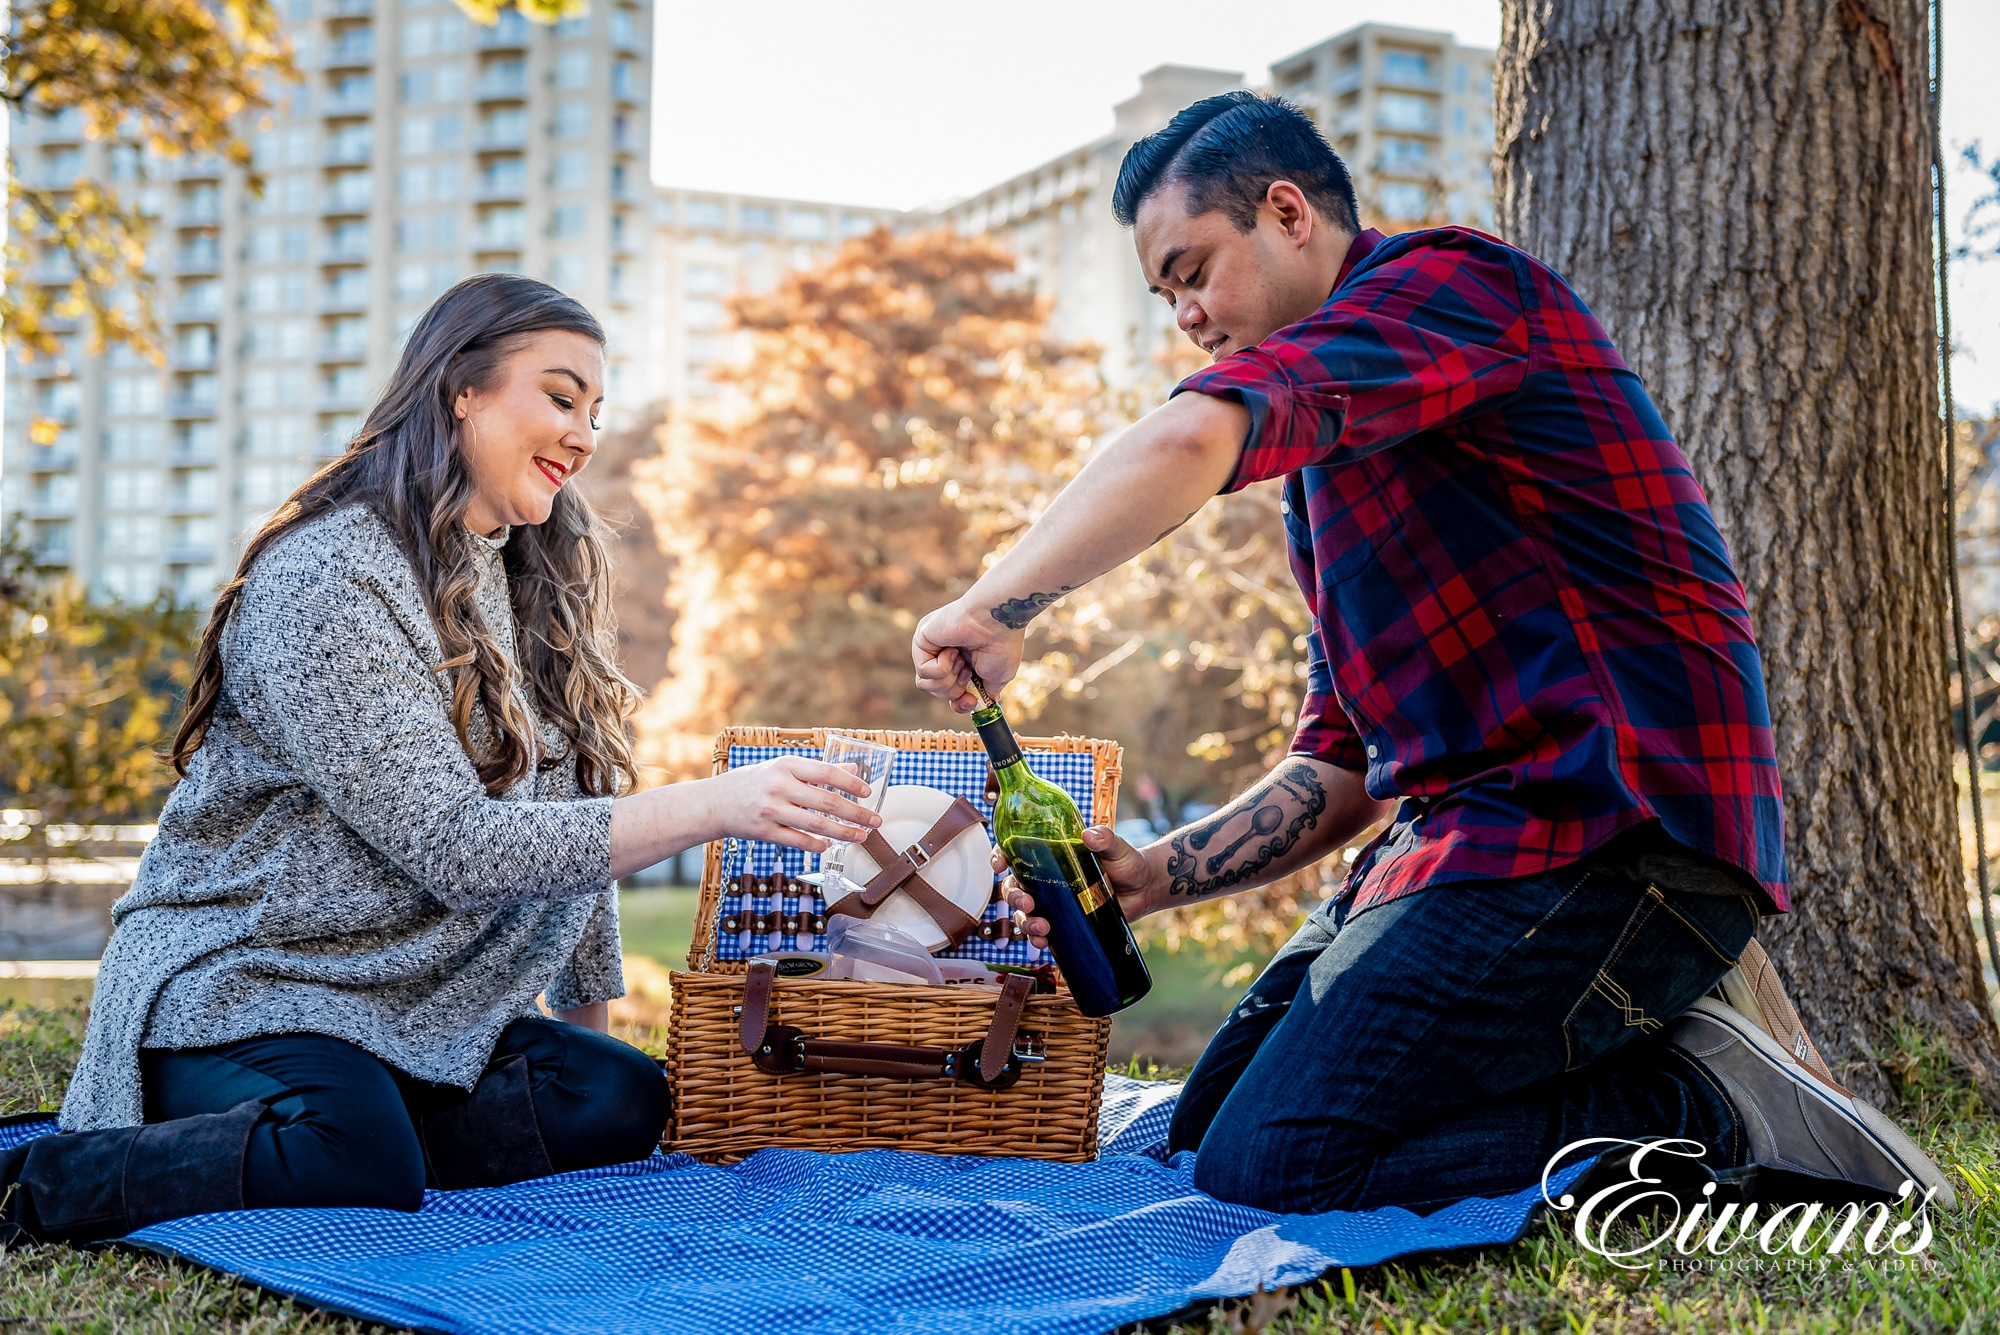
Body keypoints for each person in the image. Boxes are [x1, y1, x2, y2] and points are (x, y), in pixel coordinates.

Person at [914, 92, 1953, 1214]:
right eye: (1164, 295)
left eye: (1193, 270)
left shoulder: (1458, 289)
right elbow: (1342, 763)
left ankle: (1695, 1106)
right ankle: (1605, 1068)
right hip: (1458, 846)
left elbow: (1187, 433)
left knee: (1276, 1165)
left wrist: (999, 605)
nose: (1187, 318)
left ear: (1285, 212)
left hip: (1614, 831)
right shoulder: (1321, 476)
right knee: (1207, 1129)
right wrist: (1152, 877)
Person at [1, 275, 882, 1246]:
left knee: (621, 1099)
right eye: (559, 397)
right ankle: (30, 1179)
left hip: (418, 1003)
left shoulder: (533, 572)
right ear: (459, 388)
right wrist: (717, 804)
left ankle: (333, 1132)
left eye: (595, 410)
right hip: (249, 984)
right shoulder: (332, 576)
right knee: (354, 1157)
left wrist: (585, 1059)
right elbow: (455, 848)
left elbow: (572, 828)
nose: (584, 434)